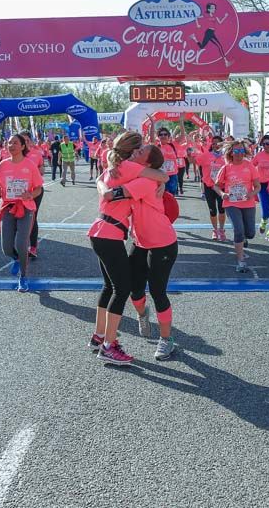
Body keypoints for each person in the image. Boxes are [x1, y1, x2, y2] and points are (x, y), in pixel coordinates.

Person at [88, 132, 167, 365]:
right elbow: (162, 173)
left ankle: (99, 336)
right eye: (140, 148)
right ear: (132, 151)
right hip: (109, 234)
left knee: (109, 287)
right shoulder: (131, 167)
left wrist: (102, 185)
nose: (141, 151)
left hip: (100, 230)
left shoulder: (115, 167)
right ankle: (109, 346)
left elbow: (99, 179)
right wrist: (162, 181)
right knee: (121, 290)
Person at [99, 144, 180, 360]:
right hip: (140, 242)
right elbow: (107, 173)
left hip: (163, 243)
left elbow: (111, 194)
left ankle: (166, 339)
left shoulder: (145, 181)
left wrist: (102, 186)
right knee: (134, 290)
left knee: (158, 292)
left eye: (141, 151)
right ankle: (143, 313)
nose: (136, 151)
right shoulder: (140, 175)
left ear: (148, 163)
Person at [0, 135, 44, 291]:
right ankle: (16, 258)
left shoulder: (30, 165)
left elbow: (39, 188)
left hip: (25, 207)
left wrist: (30, 195)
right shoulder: (3, 164)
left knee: (22, 244)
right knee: (6, 248)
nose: (11, 145)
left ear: (23, 146)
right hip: (8, 206)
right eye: (9, 143)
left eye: (15, 143)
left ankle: (23, 276)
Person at [213, 140, 261, 273]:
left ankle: (244, 238)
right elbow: (216, 186)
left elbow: (258, 186)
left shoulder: (250, 166)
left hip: (248, 203)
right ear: (231, 153)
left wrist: (251, 194)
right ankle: (241, 261)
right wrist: (222, 194)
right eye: (236, 151)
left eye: (241, 151)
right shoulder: (226, 168)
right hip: (231, 203)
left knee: (250, 233)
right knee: (238, 230)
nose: (239, 154)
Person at [195, 136, 227, 241]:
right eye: (213, 143)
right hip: (209, 186)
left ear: (222, 144)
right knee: (212, 210)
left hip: (221, 187)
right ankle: (215, 230)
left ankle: (221, 230)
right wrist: (191, 150)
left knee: (222, 210)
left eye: (218, 143)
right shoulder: (206, 155)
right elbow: (194, 160)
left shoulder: (226, 157)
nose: (215, 145)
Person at [19, 131, 45, 259]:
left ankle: (33, 246)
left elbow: (42, 170)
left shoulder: (37, 153)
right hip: (18, 191)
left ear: (30, 141)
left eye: (27, 140)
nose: (25, 143)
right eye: (22, 141)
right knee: (18, 217)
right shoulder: (15, 154)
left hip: (35, 191)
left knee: (31, 217)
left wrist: (34, 170)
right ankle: (20, 245)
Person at [155, 127, 180, 195]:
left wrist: (181, 122)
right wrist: (152, 123)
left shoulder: (173, 145)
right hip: (160, 175)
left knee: (171, 195)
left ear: (168, 136)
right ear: (158, 137)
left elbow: (183, 137)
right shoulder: (157, 147)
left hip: (172, 175)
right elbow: (151, 139)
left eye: (165, 134)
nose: (163, 136)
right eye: (161, 134)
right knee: (161, 195)